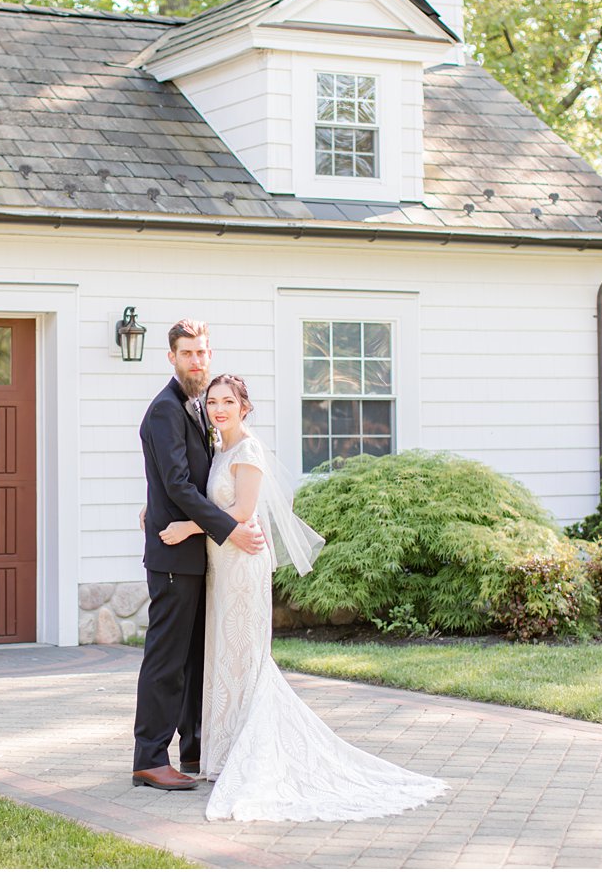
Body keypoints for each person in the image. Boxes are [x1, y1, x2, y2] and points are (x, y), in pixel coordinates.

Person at [159, 374, 449, 821]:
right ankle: (227, 754)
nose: (218, 409)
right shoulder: (220, 450)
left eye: (228, 402)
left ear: (244, 407)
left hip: (242, 564)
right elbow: (200, 495)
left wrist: (186, 527)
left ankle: (253, 750)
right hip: (221, 565)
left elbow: (240, 513)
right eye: (213, 401)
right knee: (225, 656)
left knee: (246, 655)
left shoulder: (249, 450)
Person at [133, 319, 265, 791]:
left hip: (197, 556)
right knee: (166, 660)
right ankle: (150, 757)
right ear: (171, 357)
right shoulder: (167, 410)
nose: (196, 361)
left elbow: (190, 478)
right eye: (187, 353)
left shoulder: (198, 408)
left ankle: (193, 748)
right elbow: (178, 485)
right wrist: (230, 529)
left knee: (193, 659)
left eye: (202, 352)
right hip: (174, 557)